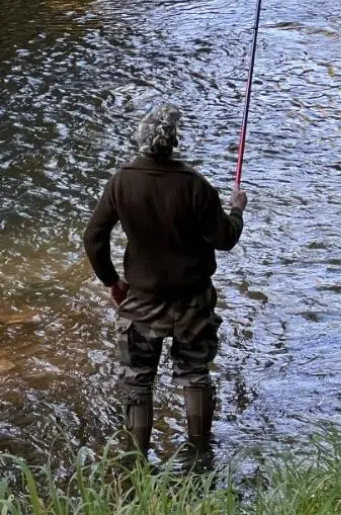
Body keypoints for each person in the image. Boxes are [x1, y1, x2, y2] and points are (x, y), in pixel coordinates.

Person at [83, 103, 247, 461]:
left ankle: (137, 464)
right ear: (174, 141)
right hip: (193, 303)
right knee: (194, 374)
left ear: (141, 140)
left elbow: (94, 237)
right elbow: (224, 238)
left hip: (141, 302)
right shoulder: (196, 185)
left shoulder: (122, 180)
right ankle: (200, 455)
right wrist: (236, 208)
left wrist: (111, 281)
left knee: (138, 381)